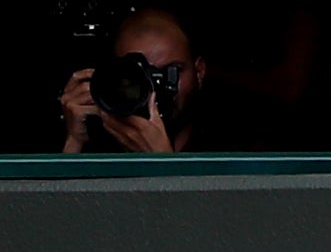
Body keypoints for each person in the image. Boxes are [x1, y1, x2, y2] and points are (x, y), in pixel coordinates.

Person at [57, 11, 216, 154]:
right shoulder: (102, 136)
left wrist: (162, 161)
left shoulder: (227, 143)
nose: (154, 89)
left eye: (170, 73)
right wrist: (74, 141)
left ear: (199, 72)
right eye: (138, 76)